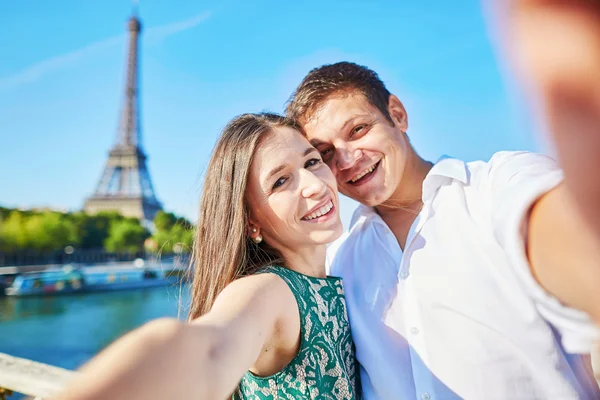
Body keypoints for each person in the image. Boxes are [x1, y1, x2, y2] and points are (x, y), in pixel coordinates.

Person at [285, 55, 600, 400]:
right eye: (325, 153)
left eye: (358, 130)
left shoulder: (496, 188)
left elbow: (568, 241)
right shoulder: (339, 263)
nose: (346, 160)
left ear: (398, 114)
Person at [52, 113, 360, 400]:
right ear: (251, 222)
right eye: (281, 181)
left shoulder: (334, 277)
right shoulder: (270, 291)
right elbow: (210, 350)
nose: (315, 186)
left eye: (311, 162)